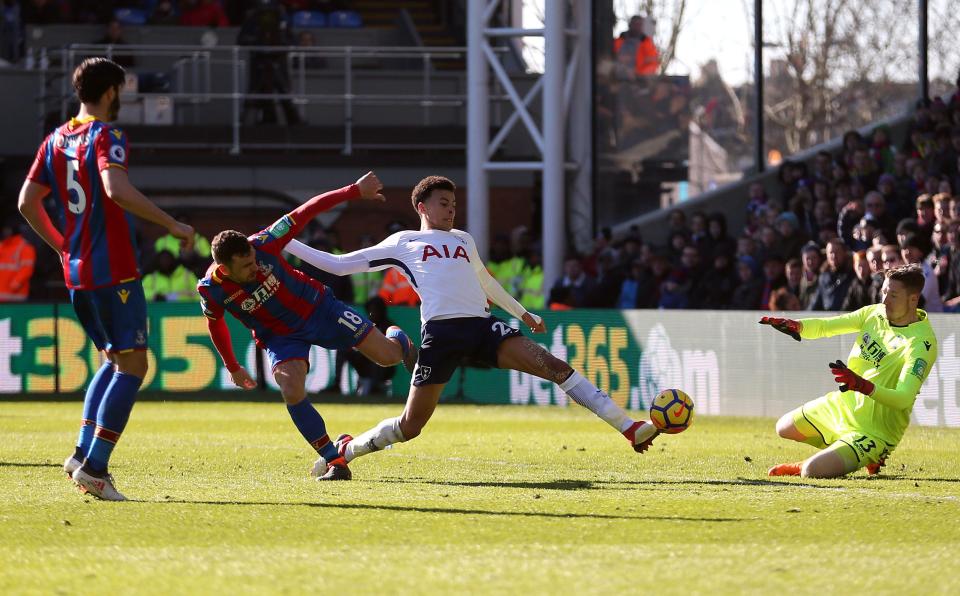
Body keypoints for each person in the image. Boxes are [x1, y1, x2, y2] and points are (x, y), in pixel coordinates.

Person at [285, 175, 663, 474]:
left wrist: (522, 313)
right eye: (443, 203)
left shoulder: (463, 240)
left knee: (555, 367)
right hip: (441, 336)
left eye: (454, 204)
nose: (451, 210)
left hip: (483, 326)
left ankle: (628, 427)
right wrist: (286, 244)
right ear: (422, 206)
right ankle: (347, 451)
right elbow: (338, 264)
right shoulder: (404, 242)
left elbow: (485, 281)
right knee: (411, 425)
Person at [18, 57, 195, 501]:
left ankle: (81, 454)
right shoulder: (107, 134)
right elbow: (115, 189)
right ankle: (95, 467)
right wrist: (173, 225)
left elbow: (26, 202)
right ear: (112, 91)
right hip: (114, 270)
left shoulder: (55, 139)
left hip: (77, 273)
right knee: (134, 365)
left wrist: (62, 245)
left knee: (114, 360)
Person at [197, 172, 417, 482]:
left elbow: (307, 210)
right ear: (224, 268)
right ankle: (334, 458)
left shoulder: (264, 242)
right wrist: (232, 366)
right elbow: (215, 323)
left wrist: (354, 190)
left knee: (388, 357)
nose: (255, 266)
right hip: (280, 336)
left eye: (253, 260)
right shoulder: (211, 289)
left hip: (320, 308)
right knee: (291, 387)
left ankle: (397, 339)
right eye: (246, 266)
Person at [761, 264, 937, 478]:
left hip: (875, 431)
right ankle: (845, 450)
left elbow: (903, 398)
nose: (884, 301)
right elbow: (829, 326)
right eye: (883, 292)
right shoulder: (875, 313)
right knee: (783, 427)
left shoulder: (921, 343)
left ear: (913, 299)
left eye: (893, 295)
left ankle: (869, 454)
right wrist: (799, 326)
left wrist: (862, 386)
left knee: (811, 471)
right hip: (844, 406)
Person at [0, 219, 36, 302]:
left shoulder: (25, 247)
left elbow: (26, 270)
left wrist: (14, 285)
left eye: (8, 229)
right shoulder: (2, 246)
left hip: (16, 297)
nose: (5, 232)